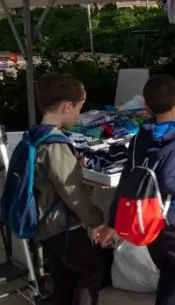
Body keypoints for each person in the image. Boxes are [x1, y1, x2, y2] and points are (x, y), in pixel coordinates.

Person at [111, 74, 175, 304]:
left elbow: (127, 176)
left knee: (172, 268)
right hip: (167, 216)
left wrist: (111, 221)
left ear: (145, 106)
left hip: (144, 215)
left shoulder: (140, 135)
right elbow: (170, 181)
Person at [28, 73, 111, 305]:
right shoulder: (55, 144)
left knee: (64, 278)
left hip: (45, 223)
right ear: (67, 106)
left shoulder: (34, 136)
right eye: (79, 109)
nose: (79, 115)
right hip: (62, 225)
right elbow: (72, 193)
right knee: (91, 271)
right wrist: (97, 220)